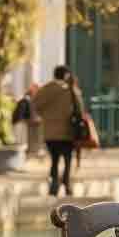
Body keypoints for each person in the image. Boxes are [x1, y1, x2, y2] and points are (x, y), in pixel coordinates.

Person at [32, 65, 84, 196]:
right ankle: (66, 182)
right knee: (67, 159)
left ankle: (54, 183)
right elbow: (80, 109)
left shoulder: (45, 89)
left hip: (50, 132)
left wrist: (45, 115)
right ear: (66, 75)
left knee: (54, 160)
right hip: (67, 131)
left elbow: (35, 105)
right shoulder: (71, 90)